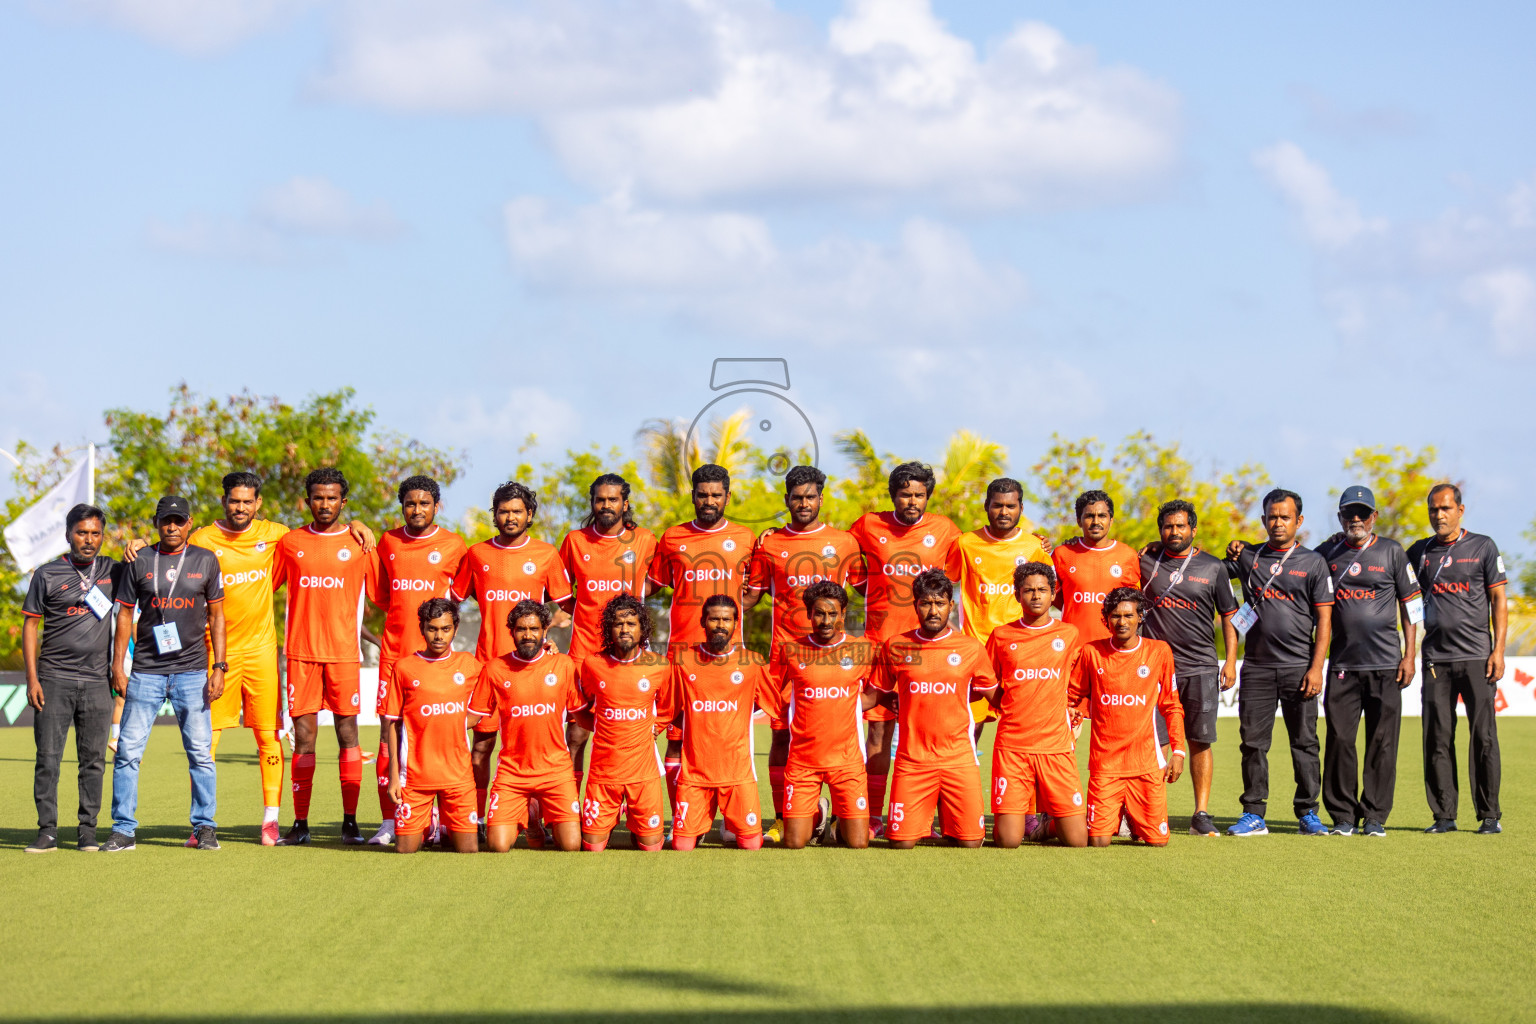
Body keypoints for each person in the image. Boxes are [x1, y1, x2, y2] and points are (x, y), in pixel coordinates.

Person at [744, 465, 860, 843]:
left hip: (833, 658)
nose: (804, 503)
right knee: (780, 737)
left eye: (810, 497)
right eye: (797, 497)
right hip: (785, 656)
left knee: (847, 734)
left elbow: (871, 588)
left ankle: (844, 812)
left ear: (821, 499)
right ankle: (783, 816)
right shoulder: (770, 544)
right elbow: (750, 594)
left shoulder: (844, 543)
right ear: (787, 500)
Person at [104, 496, 226, 853]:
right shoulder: (139, 559)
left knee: (200, 753)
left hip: (191, 671)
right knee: (127, 751)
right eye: (165, 521)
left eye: (178, 520)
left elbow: (218, 617)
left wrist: (219, 666)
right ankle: (124, 829)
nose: (172, 527)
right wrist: (117, 665)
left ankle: (204, 827)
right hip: (146, 671)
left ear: (190, 523)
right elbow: (124, 614)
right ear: (156, 523)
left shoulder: (205, 559)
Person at [452, 481, 572, 839]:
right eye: (503, 511)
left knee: (537, 744)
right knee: (482, 748)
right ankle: (474, 818)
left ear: (529, 515)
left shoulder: (547, 555)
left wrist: (548, 638)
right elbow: (452, 601)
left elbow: (569, 605)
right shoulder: (476, 555)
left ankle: (540, 816)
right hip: (489, 665)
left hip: (533, 666)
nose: (509, 517)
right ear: (495, 515)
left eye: (517, 510)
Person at [848, 462, 962, 838]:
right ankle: (874, 815)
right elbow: (844, 561)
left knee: (930, 734)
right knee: (878, 735)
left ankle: (928, 817)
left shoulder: (945, 530)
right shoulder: (867, 526)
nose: (911, 501)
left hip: (931, 651)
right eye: (904, 494)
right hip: (882, 648)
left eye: (918, 495)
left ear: (927, 496)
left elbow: (963, 573)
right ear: (893, 495)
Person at [269, 468, 377, 846]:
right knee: (304, 738)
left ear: (343, 502)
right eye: (318, 497)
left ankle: (350, 822)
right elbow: (262, 586)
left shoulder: (360, 543)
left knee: (349, 734)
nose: (325, 504)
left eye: (332, 498)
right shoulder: (291, 542)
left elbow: (383, 593)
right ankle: (300, 824)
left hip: (344, 655)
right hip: (301, 654)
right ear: (308, 500)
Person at [647, 464, 755, 834]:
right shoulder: (672, 537)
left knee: (729, 741)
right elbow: (651, 586)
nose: (709, 501)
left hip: (730, 660)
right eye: (703, 494)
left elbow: (754, 592)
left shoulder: (745, 537)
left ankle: (731, 819)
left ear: (727, 496)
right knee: (676, 741)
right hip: (681, 656)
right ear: (693, 495)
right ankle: (684, 820)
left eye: (716, 494)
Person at [1223, 488, 1334, 837]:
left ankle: (1307, 813)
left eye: (1285, 517)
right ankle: (1253, 813)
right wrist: (1159, 552)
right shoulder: (1248, 557)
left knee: (1305, 743)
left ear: (1298, 521)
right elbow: (1207, 571)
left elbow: (1325, 621)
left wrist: (1317, 668)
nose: (1278, 523)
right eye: (1272, 517)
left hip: (1300, 667)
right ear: (1263, 520)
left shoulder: (1314, 562)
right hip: (1256, 667)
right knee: (1253, 743)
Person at [1314, 487, 1421, 837]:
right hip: (1343, 665)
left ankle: (1375, 816)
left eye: (1362, 513)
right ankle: (1343, 816)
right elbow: (1292, 566)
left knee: (1382, 742)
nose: (1355, 520)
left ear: (1374, 516)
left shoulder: (1392, 552)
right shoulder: (1327, 552)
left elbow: (1411, 605)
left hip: (1387, 663)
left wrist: (1410, 655)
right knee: (1340, 740)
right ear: (1340, 517)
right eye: (1348, 514)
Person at [368, 475, 468, 843]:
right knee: (387, 733)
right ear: (402, 506)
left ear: (436, 506)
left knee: (440, 732)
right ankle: (390, 820)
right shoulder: (388, 542)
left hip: (437, 660)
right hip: (395, 655)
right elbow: (382, 596)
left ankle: (439, 821)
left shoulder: (455, 545)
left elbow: (459, 597)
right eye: (410, 503)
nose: (417, 510)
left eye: (424, 503)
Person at [1407, 483, 1509, 834]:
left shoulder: (1483, 546)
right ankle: (1444, 815)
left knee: (1483, 737)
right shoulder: (1420, 552)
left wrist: (1498, 650)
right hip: (1436, 658)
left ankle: (1489, 815)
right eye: (1434, 509)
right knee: (1436, 737)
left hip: (1479, 657)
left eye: (1446, 508)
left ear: (1460, 510)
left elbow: (1498, 600)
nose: (1440, 515)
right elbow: (1388, 573)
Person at [870, 568, 997, 849]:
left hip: (958, 760)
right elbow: (873, 693)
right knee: (901, 844)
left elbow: (997, 697)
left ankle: (949, 821)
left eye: (940, 603)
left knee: (971, 843)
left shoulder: (971, 648)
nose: (933, 610)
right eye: (926, 603)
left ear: (951, 606)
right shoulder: (896, 646)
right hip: (912, 762)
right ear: (915, 605)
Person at [22, 504, 122, 853]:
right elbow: (31, 625)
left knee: (93, 761)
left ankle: (87, 832)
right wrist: (32, 678)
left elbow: (144, 564)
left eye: (95, 533)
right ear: (68, 534)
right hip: (53, 679)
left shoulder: (114, 570)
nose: (89, 540)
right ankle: (47, 831)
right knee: (48, 759)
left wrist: (138, 543)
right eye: (82, 532)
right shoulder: (46, 574)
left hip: (97, 683)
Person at [1139, 499, 1239, 836]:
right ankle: (1151, 811)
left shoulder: (1213, 567)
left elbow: (1229, 616)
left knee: (1199, 740)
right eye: (1168, 526)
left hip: (1200, 667)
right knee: (1154, 741)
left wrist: (1230, 662)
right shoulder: (1146, 561)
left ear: (1193, 530)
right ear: (1160, 530)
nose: (1175, 532)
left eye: (1181, 526)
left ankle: (1201, 813)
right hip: (1154, 669)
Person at [558, 474, 657, 808]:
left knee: (634, 728)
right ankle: (570, 806)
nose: (605, 505)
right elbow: (559, 591)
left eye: (612, 500)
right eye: (600, 500)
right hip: (583, 652)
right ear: (592, 503)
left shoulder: (644, 540)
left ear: (625, 504)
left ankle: (634, 804)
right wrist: (586, 612)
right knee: (576, 733)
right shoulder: (574, 541)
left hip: (632, 655)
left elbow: (656, 582)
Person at [763, 580, 878, 850]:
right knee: (794, 842)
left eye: (832, 614)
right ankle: (818, 817)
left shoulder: (862, 649)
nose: (825, 620)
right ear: (808, 614)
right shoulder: (791, 650)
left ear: (843, 614)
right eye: (819, 613)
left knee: (859, 843)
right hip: (803, 761)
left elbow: (875, 692)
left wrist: (847, 702)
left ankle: (839, 823)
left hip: (847, 760)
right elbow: (771, 691)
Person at [1069, 588, 1185, 847]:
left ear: (1140, 617)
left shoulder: (1159, 651)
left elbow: (1172, 705)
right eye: (1115, 616)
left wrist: (1178, 751)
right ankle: (1055, 822)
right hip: (1105, 765)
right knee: (1098, 840)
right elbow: (1072, 697)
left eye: (1128, 615)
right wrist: (1072, 716)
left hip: (1145, 764)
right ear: (1106, 620)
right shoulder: (1091, 652)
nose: (1121, 622)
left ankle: (1133, 816)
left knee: (1157, 841)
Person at [468, 600, 584, 852]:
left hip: (556, 772)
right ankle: (532, 818)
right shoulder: (495, 669)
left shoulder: (563, 665)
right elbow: (473, 717)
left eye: (534, 629)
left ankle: (537, 811)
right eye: (521, 629)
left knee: (572, 845)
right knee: (497, 845)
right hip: (513, 774)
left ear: (545, 631)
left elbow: (582, 716)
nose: (528, 635)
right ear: (511, 631)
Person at [985, 561, 1087, 849]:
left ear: (1053, 594)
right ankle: (1023, 822)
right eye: (1028, 590)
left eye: (1042, 589)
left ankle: (1047, 825)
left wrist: (1073, 711)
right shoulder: (1002, 635)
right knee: (1007, 841)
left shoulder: (1069, 634)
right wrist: (1008, 705)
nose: (1036, 595)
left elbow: (1080, 682)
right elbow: (986, 682)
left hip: (1055, 745)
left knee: (1078, 840)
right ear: (1017, 595)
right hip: (1013, 745)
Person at [662, 596, 775, 851]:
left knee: (752, 845)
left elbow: (775, 703)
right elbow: (668, 708)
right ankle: (695, 826)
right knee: (681, 846)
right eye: (714, 619)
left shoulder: (752, 662)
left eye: (727, 619)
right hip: (695, 775)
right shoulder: (683, 660)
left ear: (736, 623)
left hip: (737, 774)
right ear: (703, 621)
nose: (720, 625)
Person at [380, 598, 480, 854]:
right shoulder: (404, 668)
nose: (439, 635)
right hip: (415, 776)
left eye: (445, 629)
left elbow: (502, 679)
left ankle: (445, 825)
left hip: (458, 776)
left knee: (468, 850)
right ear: (422, 628)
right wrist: (393, 776)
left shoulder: (468, 664)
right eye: (432, 628)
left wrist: (462, 722)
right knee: (405, 850)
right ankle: (432, 822)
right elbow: (392, 724)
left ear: (455, 629)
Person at [957, 478, 1049, 743]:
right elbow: (942, 587)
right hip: (977, 648)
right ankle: (965, 781)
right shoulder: (965, 544)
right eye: (997, 505)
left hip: (1019, 650)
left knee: (1024, 720)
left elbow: (1048, 591)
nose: (1004, 512)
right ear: (986, 505)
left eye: (1011, 506)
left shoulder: (1033, 546)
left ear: (1021, 507)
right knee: (970, 727)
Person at [576, 594, 669, 852]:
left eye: (631, 624)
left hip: (643, 772)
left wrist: (655, 728)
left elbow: (669, 707)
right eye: (618, 624)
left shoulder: (659, 666)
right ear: (609, 628)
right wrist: (604, 728)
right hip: (604, 772)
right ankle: (619, 813)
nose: (625, 629)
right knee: (592, 847)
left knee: (651, 847)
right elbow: (581, 709)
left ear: (642, 629)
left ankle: (636, 821)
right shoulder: (593, 664)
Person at [1052, 489, 1140, 644]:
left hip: (1113, 648)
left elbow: (1134, 605)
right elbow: (1053, 599)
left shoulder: (1128, 555)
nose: (1096, 522)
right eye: (1089, 516)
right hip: (1074, 647)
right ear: (1079, 520)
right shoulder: (1062, 554)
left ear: (1111, 520)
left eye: (1102, 516)